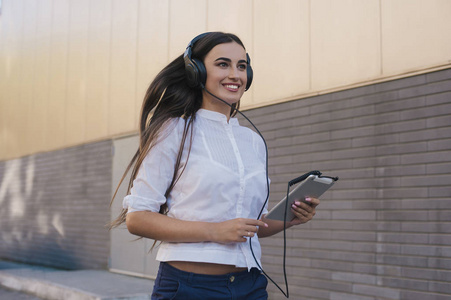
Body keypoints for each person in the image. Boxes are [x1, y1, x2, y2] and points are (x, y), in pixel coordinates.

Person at [110, 32, 320, 300]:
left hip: (250, 285)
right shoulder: (173, 130)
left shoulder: (252, 141)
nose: (235, 74)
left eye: (242, 66)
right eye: (223, 64)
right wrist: (214, 231)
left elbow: (250, 226)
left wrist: (290, 218)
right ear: (195, 71)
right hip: (189, 287)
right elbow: (137, 218)